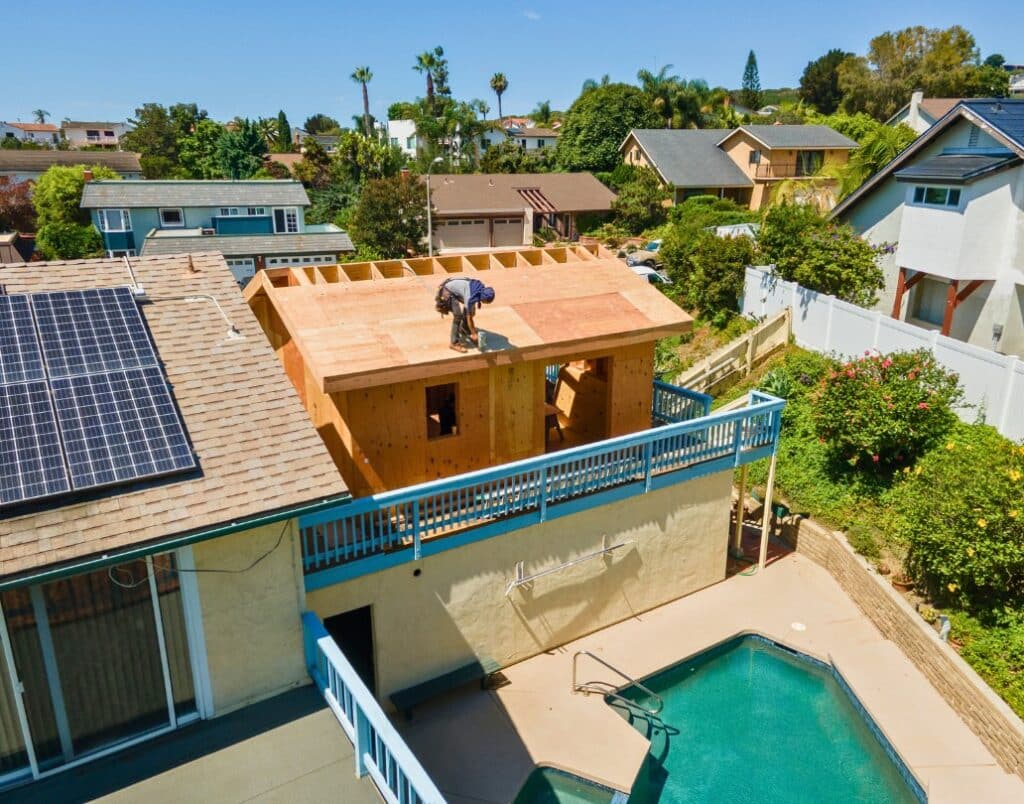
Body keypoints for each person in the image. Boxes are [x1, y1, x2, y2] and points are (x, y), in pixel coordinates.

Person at [436, 277, 495, 352]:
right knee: (458, 316)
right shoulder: (471, 296)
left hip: (458, 290)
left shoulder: (480, 290)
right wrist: (474, 333)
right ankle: (454, 343)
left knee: (471, 310)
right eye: (486, 302)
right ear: (483, 298)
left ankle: (464, 329)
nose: (486, 303)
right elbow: (469, 317)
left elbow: (469, 310)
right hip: (448, 291)